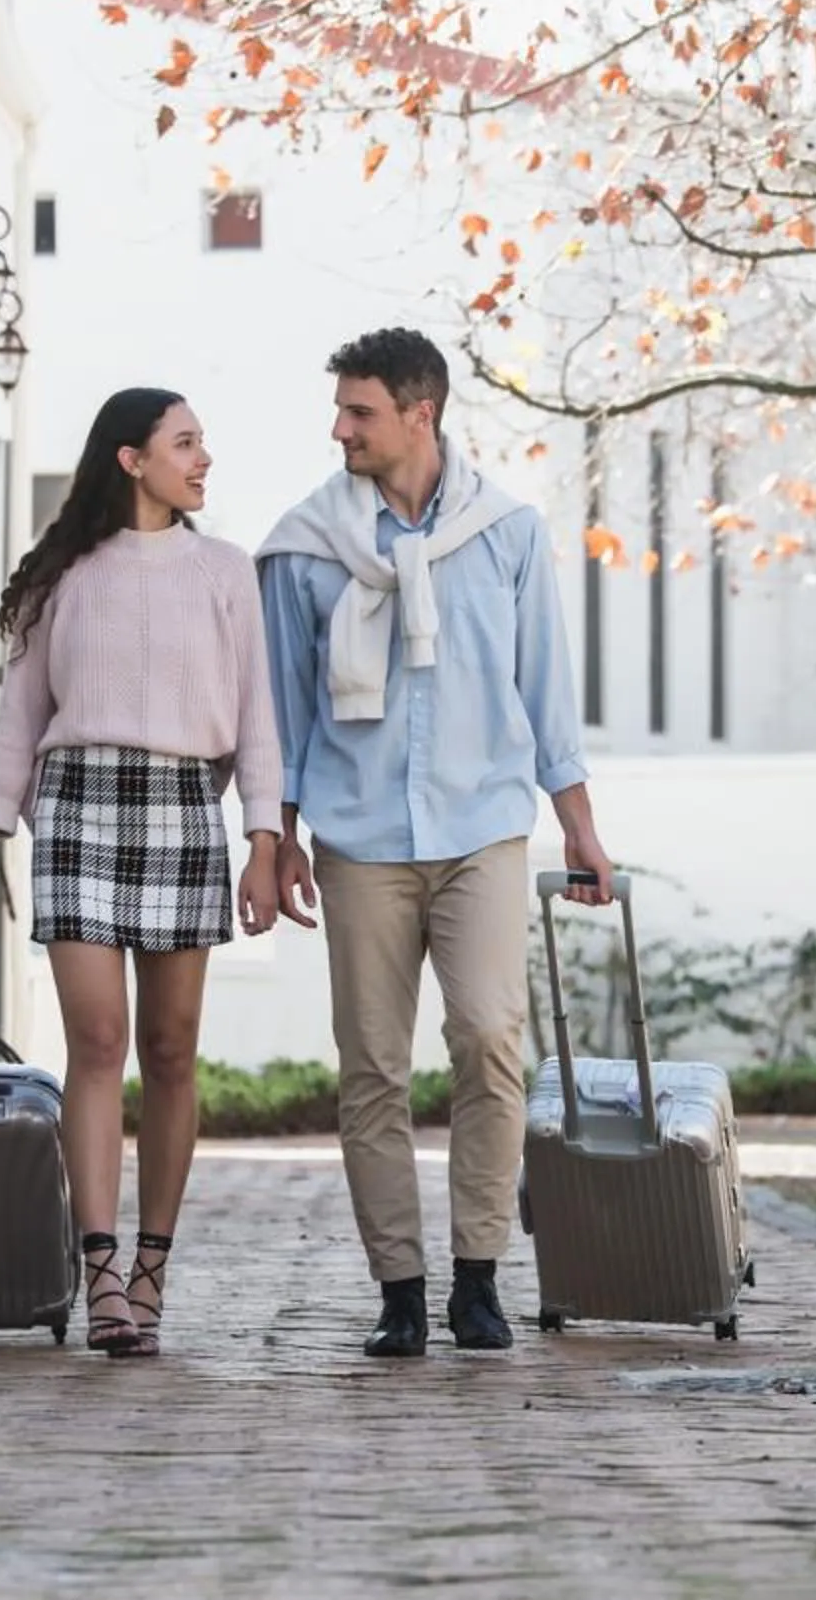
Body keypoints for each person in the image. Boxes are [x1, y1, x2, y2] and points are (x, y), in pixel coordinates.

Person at [256, 328, 614, 1358]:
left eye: (359, 411)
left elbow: (546, 695)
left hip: (482, 829)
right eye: (339, 410)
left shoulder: (506, 533)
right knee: (371, 1064)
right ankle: (400, 1291)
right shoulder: (306, 546)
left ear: (422, 413)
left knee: (491, 1040)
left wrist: (580, 828)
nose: (340, 429)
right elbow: (282, 708)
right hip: (360, 835)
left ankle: (477, 1278)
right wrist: (275, 838)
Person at [0, 388, 282, 1357]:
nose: (204, 459)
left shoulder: (226, 571)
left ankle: (154, 1266)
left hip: (182, 810)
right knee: (98, 1039)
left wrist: (263, 838)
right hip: (78, 808)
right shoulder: (64, 573)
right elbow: (21, 715)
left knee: (170, 1049)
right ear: (131, 460)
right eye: (185, 443)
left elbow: (257, 718)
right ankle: (102, 1275)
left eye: (202, 442)